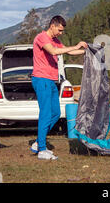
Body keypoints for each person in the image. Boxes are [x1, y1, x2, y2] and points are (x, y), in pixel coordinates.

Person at [30, 15, 88, 160]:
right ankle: (42, 149)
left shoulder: (55, 40)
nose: (61, 33)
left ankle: (39, 142)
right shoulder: (41, 37)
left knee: (55, 113)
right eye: (60, 30)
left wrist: (88, 51)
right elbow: (54, 51)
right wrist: (75, 46)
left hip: (51, 80)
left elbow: (69, 51)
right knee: (45, 113)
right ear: (52, 26)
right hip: (41, 79)